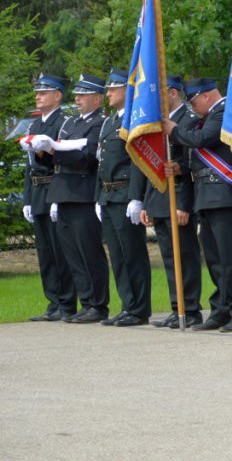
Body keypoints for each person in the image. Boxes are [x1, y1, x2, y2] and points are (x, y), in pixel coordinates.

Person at [164, 78, 232, 332]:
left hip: (225, 194)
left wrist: (174, 130)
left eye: (193, 101)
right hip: (205, 195)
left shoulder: (225, 112)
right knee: (215, 260)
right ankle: (222, 308)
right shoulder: (203, 117)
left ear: (206, 96)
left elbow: (203, 138)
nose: (192, 107)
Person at [44, 73, 109, 323]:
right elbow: (61, 154)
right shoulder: (70, 123)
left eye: (83, 95)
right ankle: (86, 301)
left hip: (83, 194)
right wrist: (45, 150)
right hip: (63, 193)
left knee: (89, 252)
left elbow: (87, 157)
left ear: (97, 98)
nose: (78, 99)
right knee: (72, 254)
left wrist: (54, 150)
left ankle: (99, 305)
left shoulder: (98, 123)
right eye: (77, 94)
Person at [143, 75, 204, 329]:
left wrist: (184, 204)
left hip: (179, 198)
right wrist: (147, 202)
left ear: (173, 93)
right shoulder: (157, 124)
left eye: (161, 93)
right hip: (159, 198)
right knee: (169, 256)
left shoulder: (188, 121)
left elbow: (190, 167)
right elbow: (151, 165)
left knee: (186, 256)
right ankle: (176, 306)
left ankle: (190, 308)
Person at [96, 68, 150, 327]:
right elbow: (101, 162)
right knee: (117, 255)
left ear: (127, 91)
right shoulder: (109, 121)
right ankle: (127, 305)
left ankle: (139, 309)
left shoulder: (133, 119)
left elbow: (138, 161)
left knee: (132, 254)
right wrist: (98, 196)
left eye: (113, 89)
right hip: (108, 195)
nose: (108, 93)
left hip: (125, 194)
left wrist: (136, 197)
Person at [20, 73, 75, 321]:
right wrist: (27, 199)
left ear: (58, 95)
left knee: (60, 250)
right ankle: (53, 302)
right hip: (38, 190)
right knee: (45, 251)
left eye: (43, 92)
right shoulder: (35, 125)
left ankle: (66, 303)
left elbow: (60, 158)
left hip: (54, 187)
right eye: (37, 93)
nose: (38, 96)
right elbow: (29, 166)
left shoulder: (63, 122)